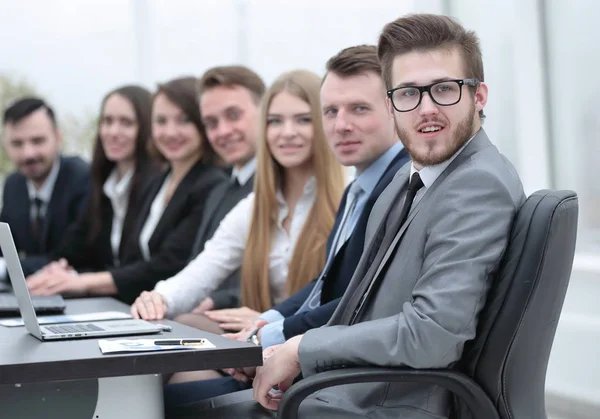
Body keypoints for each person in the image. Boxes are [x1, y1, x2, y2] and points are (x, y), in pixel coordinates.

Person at [174, 13, 526, 419]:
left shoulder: (476, 184)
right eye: (408, 93)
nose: (426, 108)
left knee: (162, 406)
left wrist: (302, 349)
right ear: (393, 104)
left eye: (444, 89)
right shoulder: (412, 180)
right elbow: (358, 303)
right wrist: (279, 351)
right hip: (349, 388)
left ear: (479, 96)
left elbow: (432, 335)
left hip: (383, 404)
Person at [162, 44, 412, 411]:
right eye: (331, 112)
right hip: (304, 350)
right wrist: (268, 326)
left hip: (333, 368)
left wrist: (272, 336)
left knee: (173, 395)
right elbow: (325, 287)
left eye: (359, 108)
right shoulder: (360, 189)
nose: (342, 124)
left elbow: (364, 304)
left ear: (393, 110)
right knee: (178, 355)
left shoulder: (384, 186)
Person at [130, 70, 346, 334]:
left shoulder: (349, 198)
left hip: (315, 349)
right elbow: (205, 268)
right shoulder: (254, 206)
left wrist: (270, 321)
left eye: (303, 120)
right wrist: (159, 298)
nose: (287, 133)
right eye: (275, 121)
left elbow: (346, 302)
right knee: (177, 338)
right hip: (264, 344)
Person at [27, 77, 227, 304]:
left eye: (183, 121)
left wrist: (82, 282)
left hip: (171, 310)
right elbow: (128, 260)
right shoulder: (160, 183)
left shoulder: (211, 184)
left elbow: (170, 264)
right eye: (161, 121)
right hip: (136, 308)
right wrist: (68, 275)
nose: (170, 132)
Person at [23, 85, 157, 277]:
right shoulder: (102, 185)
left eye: (126, 123)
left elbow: (146, 267)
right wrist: (61, 272)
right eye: (107, 121)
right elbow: (73, 253)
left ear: (146, 127)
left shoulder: (157, 185)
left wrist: (82, 282)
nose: (113, 131)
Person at [182, 66, 265, 318]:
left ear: (265, 110)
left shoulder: (285, 191)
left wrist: (215, 300)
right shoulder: (219, 191)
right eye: (212, 123)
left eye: (234, 115)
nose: (223, 131)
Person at [0, 98, 90, 278]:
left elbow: (70, 257)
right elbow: (5, 246)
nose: (28, 153)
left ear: (58, 138)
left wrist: (4, 269)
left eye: (38, 141)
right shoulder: (13, 185)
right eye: (17, 144)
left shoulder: (82, 178)